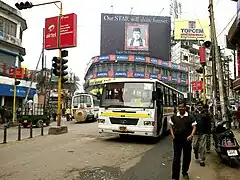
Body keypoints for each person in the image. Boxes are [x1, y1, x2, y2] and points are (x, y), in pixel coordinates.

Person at [169, 101, 197, 180]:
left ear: (185, 107)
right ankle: (175, 177)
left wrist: (191, 135)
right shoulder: (174, 117)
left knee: (187, 157)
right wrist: (173, 136)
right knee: (176, 159)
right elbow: (170, 126)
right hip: (177, 140)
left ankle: (184, 172)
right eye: (179, 107)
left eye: (182, 107)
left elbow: (194, 126)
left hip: (187, 140)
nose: (181, 108)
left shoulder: (190, 117)